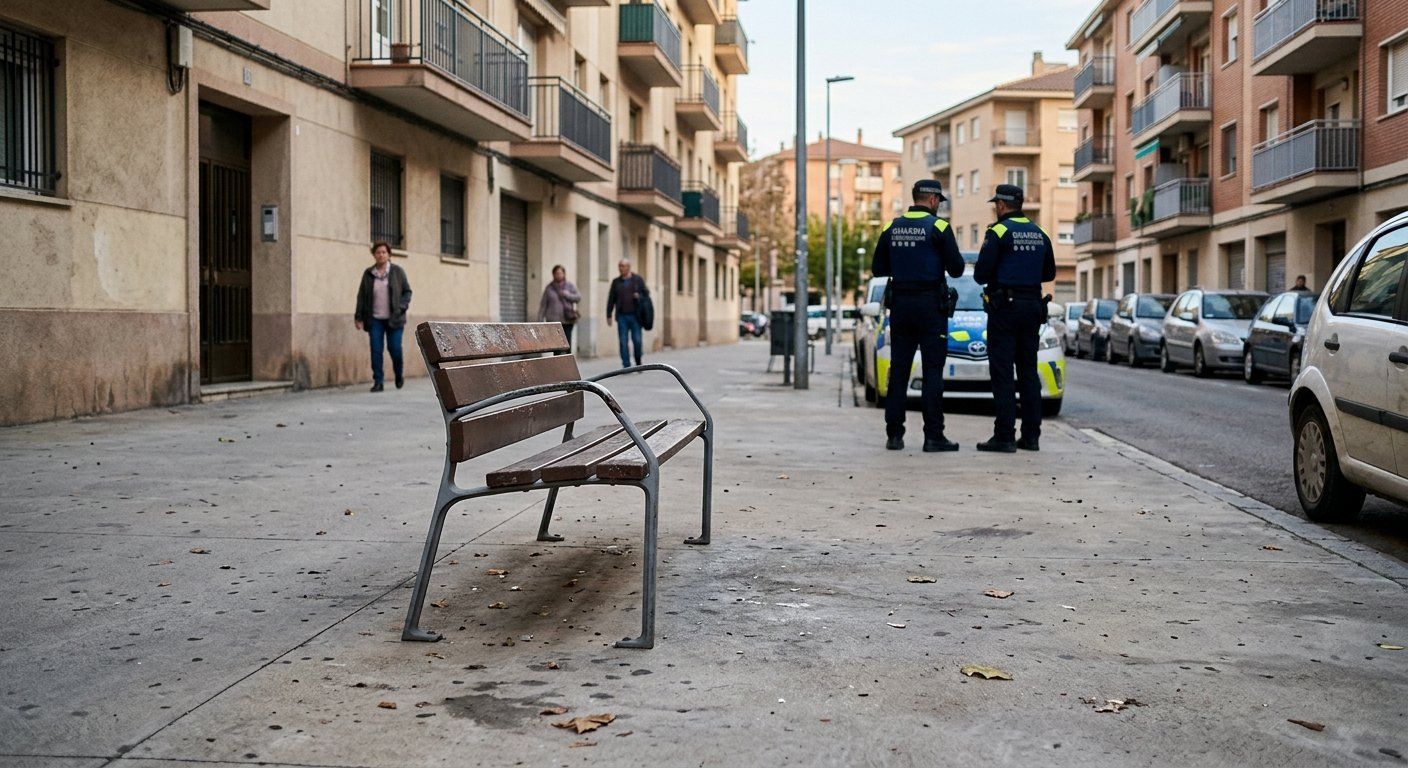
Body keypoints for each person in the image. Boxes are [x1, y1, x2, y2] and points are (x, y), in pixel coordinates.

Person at [870, 179, 966, 452]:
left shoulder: (891, 227)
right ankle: (934, 436)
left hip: (900, 305)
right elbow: (957, 269)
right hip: (931, 307)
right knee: (933, 371)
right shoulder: (939, 227)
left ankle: (894, 435)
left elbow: (878, 268)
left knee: (899, 371)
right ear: (934, 200)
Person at [974, 184, 1056, 453]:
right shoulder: (1040, 232)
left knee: (1002, 372)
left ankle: (1005, 436)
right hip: (1032, 306)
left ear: (1001, 205)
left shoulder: (997, 232)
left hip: (1004, 309)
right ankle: (1031, 436)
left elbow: (981, 274)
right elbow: (1049, 273)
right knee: (1028, 372)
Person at [354, 241, 413, 392]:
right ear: (374, 255)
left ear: (389, 254)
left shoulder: (397, 271)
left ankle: (398, 374)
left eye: (384, 252)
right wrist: (358, 317)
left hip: (395, 318)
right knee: (376, 350)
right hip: (375, 319)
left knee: (394, 349)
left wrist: (401, 307)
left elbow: (407, 292)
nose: (381, 255)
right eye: (378, 252)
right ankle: (378, 382)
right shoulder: (368, 273)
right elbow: (362, 296)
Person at [606, 258, 647, 368]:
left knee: (637, 341)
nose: (620, 268)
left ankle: (638, 361)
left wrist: (639, 296)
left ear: (628, 267)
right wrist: (608, 314)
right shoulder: (616, 282)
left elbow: (646, 294)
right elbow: (611, 298)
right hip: (622, 316)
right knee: (623, 341)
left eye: (623, 266)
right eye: (619, 266)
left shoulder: (638, 280)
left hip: (636, 316)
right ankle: (626, 365)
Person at [538, 265, 582, 346]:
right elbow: (543, 305)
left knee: (567, 344)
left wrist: (567, 295)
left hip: (567, 320)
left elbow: (578, 297)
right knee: (556, 346)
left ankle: (567, 358)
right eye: (556, 273)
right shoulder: (549, 288)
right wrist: (540, 321)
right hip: (553, 322)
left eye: (560, 273)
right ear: (553, 274)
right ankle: (557, 359)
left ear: (564, 274)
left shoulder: (569, 286)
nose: (558, 275)